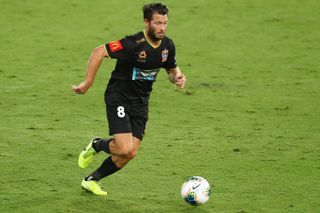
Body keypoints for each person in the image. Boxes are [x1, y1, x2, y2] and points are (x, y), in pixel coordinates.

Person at [72, 2, 186, 196]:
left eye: (165, 23)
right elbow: (99, 51)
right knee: (123, 148)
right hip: (119, 97)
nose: (162, 28)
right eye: (158, 23)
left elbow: (171, 68)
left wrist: (178, 77)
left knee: (130, 153)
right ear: (146, 22)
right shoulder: (132, 43)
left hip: (141, 103)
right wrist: (88, 82)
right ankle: (97, 145)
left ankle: (91, 180)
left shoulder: (168, 45)